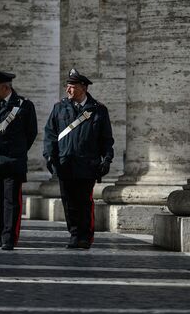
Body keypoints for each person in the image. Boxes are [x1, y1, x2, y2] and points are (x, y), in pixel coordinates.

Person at [43, 68, 114, 249]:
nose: (68, 90)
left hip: (87, 164)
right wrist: (50, 156)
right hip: (65, 163)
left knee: (84, 202)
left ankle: (85, 236)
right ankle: (74, 234)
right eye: (67, 86)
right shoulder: (59, 108)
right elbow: (50, 134)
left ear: (83, 87)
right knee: (68, 202)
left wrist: (106, 159)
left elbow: (106, 139)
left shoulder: (98, 110)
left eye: (72, 86)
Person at [0, 67, 38, 250]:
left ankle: (9, 238)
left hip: (13, 161)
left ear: (6, 87)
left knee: (11, 202)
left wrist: (17, 151)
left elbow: (31, 133)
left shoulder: (24, 106)